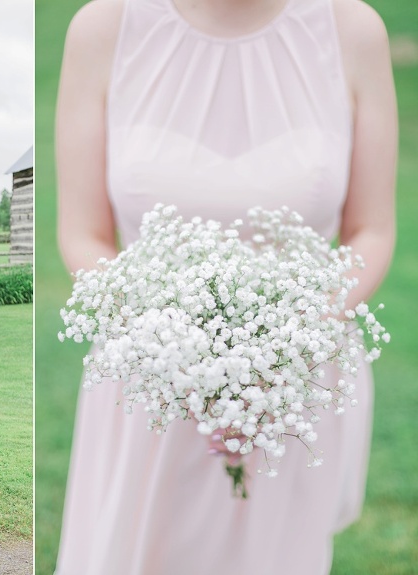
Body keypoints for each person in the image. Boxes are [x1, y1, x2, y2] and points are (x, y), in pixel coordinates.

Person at [53, 0, 396, 573]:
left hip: (291, 384)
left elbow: (373, 229)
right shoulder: (103, 27)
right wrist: (172, 347)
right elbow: (83, 234)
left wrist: (288, 345)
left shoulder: (352, 28)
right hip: (152, 378)